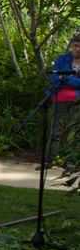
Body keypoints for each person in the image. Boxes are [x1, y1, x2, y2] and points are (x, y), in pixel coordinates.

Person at [49, 33, 80, 163]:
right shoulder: (62, 59)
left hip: (77, 100)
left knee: (74, 132)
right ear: (72, 46)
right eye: (75, 46)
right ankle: (51, 159)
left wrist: (65, 79)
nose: (78, 49)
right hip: (59, 98)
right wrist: (72, 80)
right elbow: (54, 78)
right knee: (56, 130)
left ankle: (71, 161)